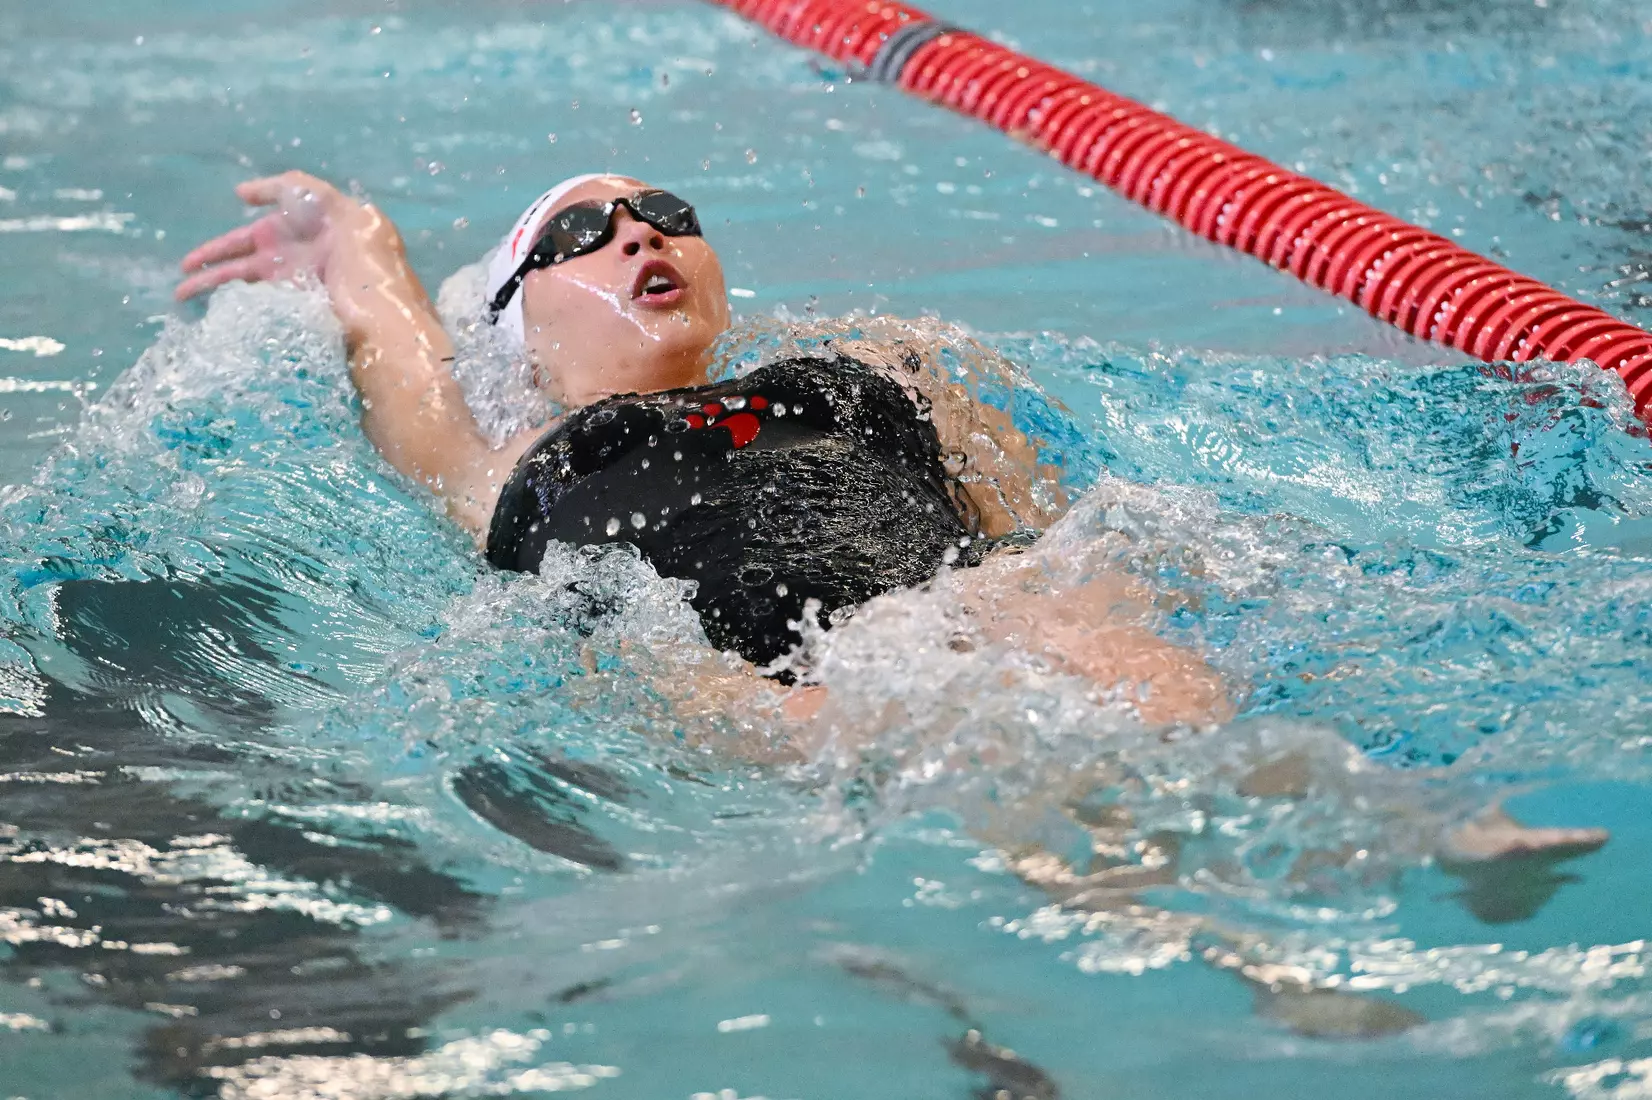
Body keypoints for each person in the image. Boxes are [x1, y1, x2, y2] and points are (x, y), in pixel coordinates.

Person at [174, 169, 1606, 870]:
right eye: (578, 234)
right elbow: (402, 376)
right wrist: (350, 246)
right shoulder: (517, 453)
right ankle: (1228, 957)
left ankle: (1429, 829)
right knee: (971, 767)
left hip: (967, 598)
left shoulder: (868, 365)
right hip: (750, 677)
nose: (637, 236)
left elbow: (1032, 518)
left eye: (661, 210)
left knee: (1112, 650)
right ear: (515, 320)